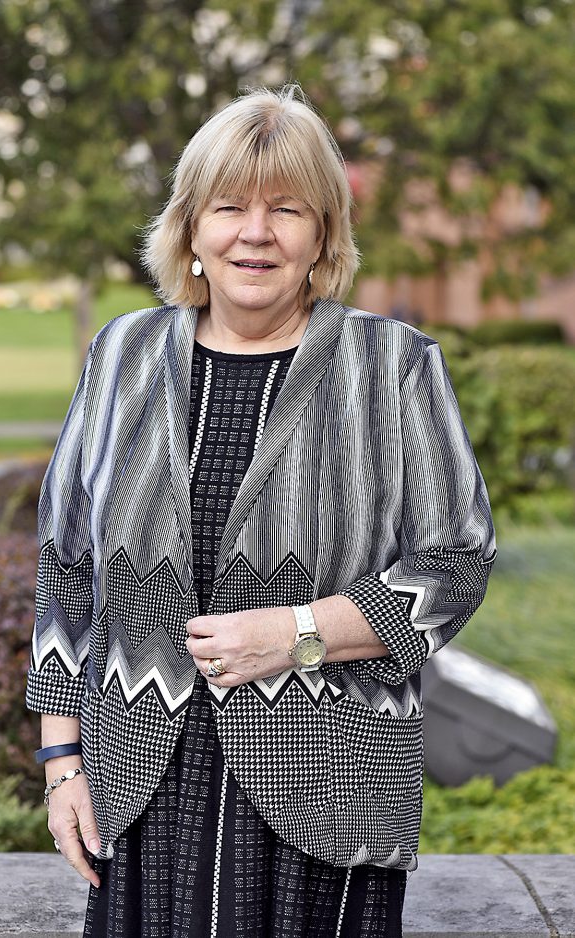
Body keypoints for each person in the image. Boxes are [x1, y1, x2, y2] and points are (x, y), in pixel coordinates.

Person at [26, 85, 496, 938]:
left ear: (323, 234)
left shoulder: (392, 365)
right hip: (142, 792)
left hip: (329, 790)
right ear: (190, 228)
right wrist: (62, 763)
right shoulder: (121, 354)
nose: (256, 232)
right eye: (229, 207)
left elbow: (456, 563)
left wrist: (297, 633)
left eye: (286, 209)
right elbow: (66, 566)